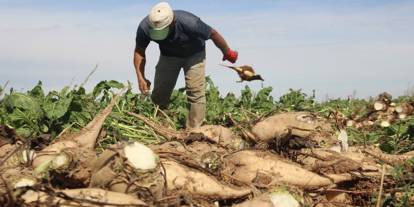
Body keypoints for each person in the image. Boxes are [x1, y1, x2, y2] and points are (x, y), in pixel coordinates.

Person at [133, 2, 238, 129]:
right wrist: (140, 76)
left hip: (195, 55)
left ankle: (194, 131)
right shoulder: (145, 27)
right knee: (160, 92)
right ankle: (159, 124)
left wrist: (227, 52)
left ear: (173, 22)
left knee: (195, 92)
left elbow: (213, 34)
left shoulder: (190, 23)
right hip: (169, 56)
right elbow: (139, 51)